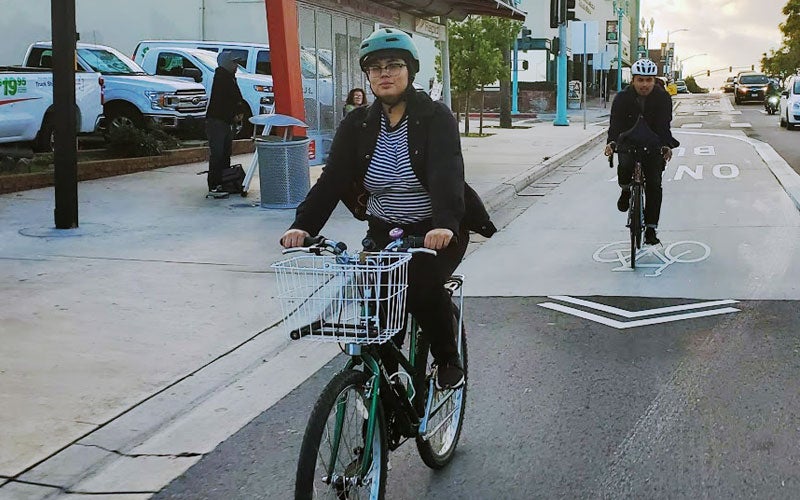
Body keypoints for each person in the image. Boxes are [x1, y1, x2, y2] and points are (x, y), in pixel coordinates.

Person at [280, 28, 496, 390]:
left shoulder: (434, 117)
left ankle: (447, 358)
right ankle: (389, 384)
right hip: (384, 230)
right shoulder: (358, 124)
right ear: (367, 75)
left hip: (435, 230)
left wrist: (444, 223)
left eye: (394, 65)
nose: (384, 74)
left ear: (410, 70)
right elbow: (332, 181)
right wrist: (302, 225)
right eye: (375, 67)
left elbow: (447, 173)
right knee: (379, 311)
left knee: (422, 288)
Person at [603, 58, 679, 245]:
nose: (644, 84)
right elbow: (615, 124)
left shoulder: (662, 98)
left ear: (654, 80)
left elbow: (664, 126)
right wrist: (612, 143)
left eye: (648, 80)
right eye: (640, 80)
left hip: (653, 144)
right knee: (624, 167)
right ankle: (626, 190)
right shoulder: (622, 98)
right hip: (628, 142)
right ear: (633, 80)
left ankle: (651, 229)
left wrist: (666, 145)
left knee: (654, 184)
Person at [205, 50, 245, 197]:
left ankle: (224, 181)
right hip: (217, 122)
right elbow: (225, 101)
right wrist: (235, 113)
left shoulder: (230, 77)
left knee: (225, 153)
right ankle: (215, 185)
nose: (236, 65)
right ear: (227, 63)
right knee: (218, 154)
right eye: (234, 62)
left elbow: (236, 98)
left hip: (225, 122)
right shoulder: (222, 78)